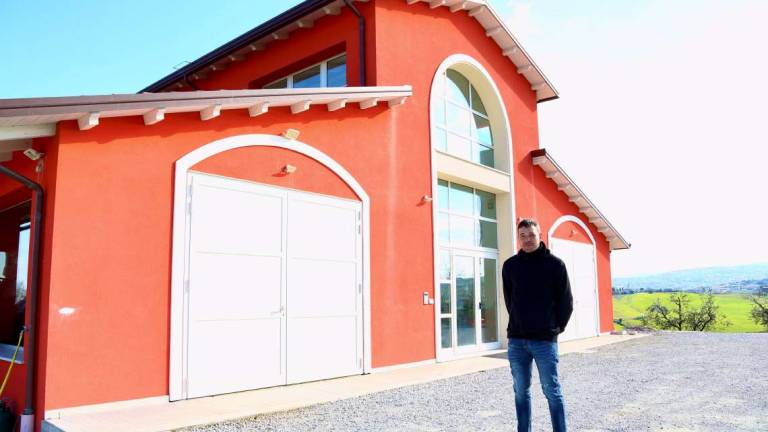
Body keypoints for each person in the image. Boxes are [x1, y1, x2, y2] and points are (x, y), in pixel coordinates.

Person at [502, 218, 573, 432]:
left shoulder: (555, 265)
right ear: (518, 238)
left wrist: (554, 328)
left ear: (539, 235)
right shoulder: (510, 266)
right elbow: (509, 300)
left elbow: (566, 302)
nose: (527, 239)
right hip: (517, 341)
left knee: (552, 390)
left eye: (531, 235)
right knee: (520, 391)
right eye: (522, 236)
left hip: (544, 341)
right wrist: (518, 323)